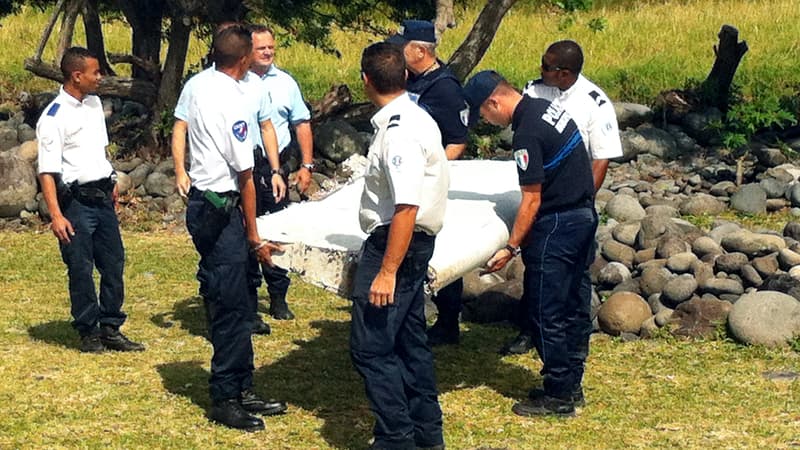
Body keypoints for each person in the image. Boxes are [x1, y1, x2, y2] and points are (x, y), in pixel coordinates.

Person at [463, 70, 598, 417]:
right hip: (583, 214)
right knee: (571, 303)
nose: (487, 122)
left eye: (484, 115)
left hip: (556, 225)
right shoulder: (544, 108)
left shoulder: (526, 133)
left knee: (544, 311)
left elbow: (531, 200)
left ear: (494, 102)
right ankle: (571, 383)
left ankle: (559, 395)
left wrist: (510, 246)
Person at [175, 24, 286, 431]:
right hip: (221, 209)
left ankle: (242, 385)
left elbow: (181, 127)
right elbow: (245, 175)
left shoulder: (201, 86)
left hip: (210, 204)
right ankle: (225, 396)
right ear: (244, 60)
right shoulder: (232, 101)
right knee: (231, 305)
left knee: (239, 301)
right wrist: (255, 235)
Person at [350, 42, 449, 450]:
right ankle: (427, 433)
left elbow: (407, 206)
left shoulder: (398, 132)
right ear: (406, 76)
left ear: (365, 81)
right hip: (410, 243)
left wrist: (386, 271)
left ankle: (396, 438)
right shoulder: (417, 116)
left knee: (371, 349)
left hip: (395, 245)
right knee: (409, 344)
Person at [500, 39, 622, 355]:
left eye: (546, 65)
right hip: (539, 192)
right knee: (536, 266)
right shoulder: (535, 90)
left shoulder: (594, 102)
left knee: (576, 274)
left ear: (564, 73)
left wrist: (579, 199)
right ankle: (530, 330)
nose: (539, 69)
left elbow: (601, 158)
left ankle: (576, 336)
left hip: (571, 200)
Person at [37, 47, 144, 354]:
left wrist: (109, 177)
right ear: (77, 75)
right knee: (81, 268)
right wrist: (56, 215)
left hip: (102, 198)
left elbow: (98, 148)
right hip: (76, 203)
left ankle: (111, 326)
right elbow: (47, 171)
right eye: (95, 72)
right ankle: (88, 331)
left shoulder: (95, 104)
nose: (100, 77)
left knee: (113, 263)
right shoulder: (54, 117)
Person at [388, 19, 469, 346]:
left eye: (402, 46)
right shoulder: (409, 81)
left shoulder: (445, 87)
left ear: (420, 51)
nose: (397, 52)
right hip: (406, 173)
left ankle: (448, 320)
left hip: (430, 182)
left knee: (437, 249)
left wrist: (434, 172)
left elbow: (458, 140)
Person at [246, 23, 317, 321]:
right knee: (246, 230)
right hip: (246, 166)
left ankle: (278, 296)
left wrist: (306, 165)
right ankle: (247, 299)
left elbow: (301, 123)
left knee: (277, 228)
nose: (267, 52)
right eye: (261, 47)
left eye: (270, 47)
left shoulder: (286, 82)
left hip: (277, 167)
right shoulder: (237, 82)